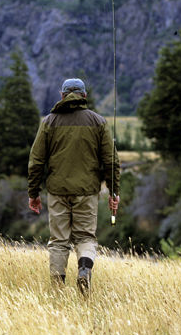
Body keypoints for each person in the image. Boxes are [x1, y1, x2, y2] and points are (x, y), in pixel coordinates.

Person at [28, 78, 120, 295]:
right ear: (84, 96)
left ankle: (58, 290)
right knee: (86, 237)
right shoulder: (98, 122)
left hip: (57, 190)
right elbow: (111, 160)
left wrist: (34, 193)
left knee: (59, 241)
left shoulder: (49, 122)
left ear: (62, 96)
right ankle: (84, 271)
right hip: (87, 191)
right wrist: (113, 191)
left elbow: (36, 161)